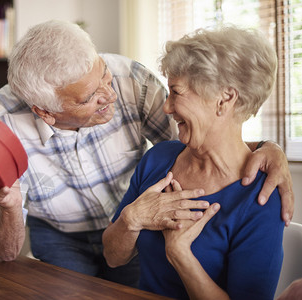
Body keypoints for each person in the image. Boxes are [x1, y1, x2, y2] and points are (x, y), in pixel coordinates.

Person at [0, 20, 293, 287]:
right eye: (90, 96)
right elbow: (5, 252)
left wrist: (267, 149)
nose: (110, 95)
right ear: (45, 111)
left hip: (132, 230)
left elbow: (204, 136)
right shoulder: (1, 127)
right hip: (64, 236)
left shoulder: (131, 81)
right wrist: (9, 206)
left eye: (104, 74)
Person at [102, 26, 285, 299]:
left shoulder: (261, 198)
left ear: (224, 99)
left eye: (176, 92)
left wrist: (179, 254)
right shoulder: (158, 158)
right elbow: (113, 258)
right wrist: (131, 219)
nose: (166, 107)